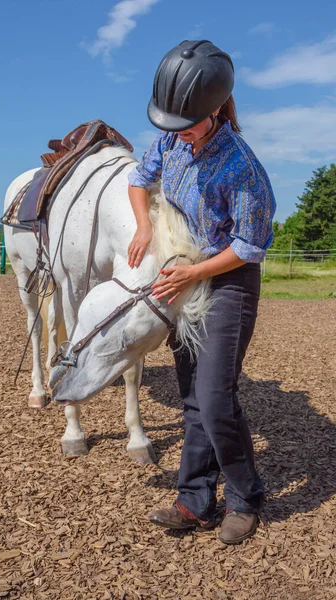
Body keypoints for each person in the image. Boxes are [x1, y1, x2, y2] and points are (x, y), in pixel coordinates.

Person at [127, 40, 276, 545]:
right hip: (188, 273)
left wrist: (195, 274)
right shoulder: (170, 141)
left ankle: (244, 498)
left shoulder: (243, 168)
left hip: (228, 279)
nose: (174, 134)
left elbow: (250, 245)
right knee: (192, 395)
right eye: (168, 125)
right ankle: (193, 501)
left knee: (215, 399)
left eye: (185, 124)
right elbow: (137, 178)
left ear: (215, 109)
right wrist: (144, 225)